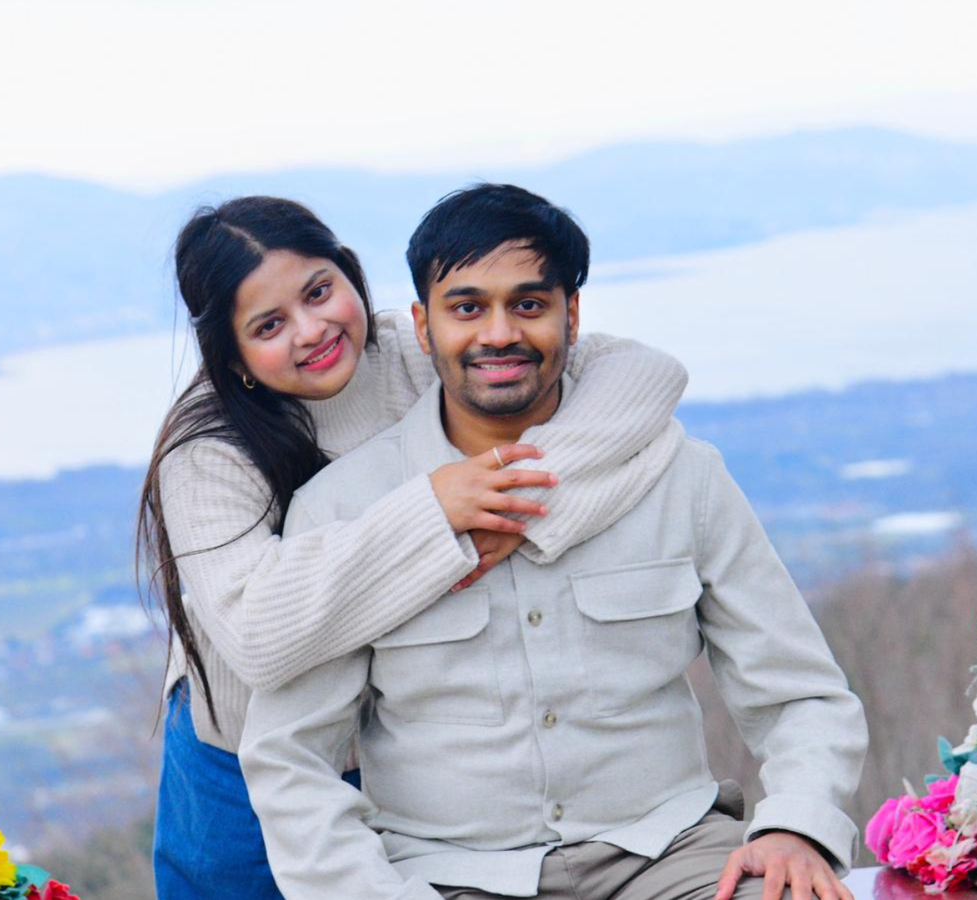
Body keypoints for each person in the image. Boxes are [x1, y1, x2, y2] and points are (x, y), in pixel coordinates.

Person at [239, 184, 869, 900]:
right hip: (445, 877)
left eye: (529, 304)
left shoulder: (681, 475)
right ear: (423, 326)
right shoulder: (343, 508)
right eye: (466, 308)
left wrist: (796, 826)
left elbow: (801, 694)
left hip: (674, 858)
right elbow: (289, 760)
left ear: (572, 314)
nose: (498, 334)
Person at [139, 195, 689, 899]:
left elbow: (645, 376)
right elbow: (258, 638)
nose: (311, 330)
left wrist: (512, 501)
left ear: (351, 272)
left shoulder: (419, 351)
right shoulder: (208, 452)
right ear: (232, 353)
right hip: (245, 764)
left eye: (319, 291)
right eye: (269, 325)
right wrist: (435, 511)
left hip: (415, 750)